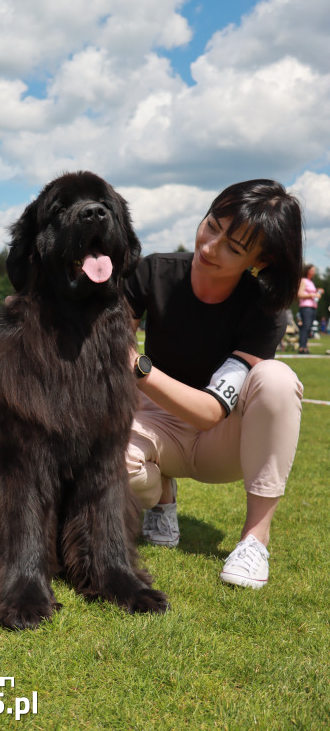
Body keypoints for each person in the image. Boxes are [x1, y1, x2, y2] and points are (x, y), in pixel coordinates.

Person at [125, 179, 304, 589]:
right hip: (154, 426)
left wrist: (139, 367)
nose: (209, 247)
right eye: (212, 225)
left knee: (276, 379)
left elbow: (209, 412)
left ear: (261, 260)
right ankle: (161, 497)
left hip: (221, 441)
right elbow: (107, 343)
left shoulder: (265, 310)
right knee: (105, 461)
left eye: (234, 247)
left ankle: (255, 539)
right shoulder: (151, 271)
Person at [297, 263, 323, 354]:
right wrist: (313, 294)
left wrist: (318, 292)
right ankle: (302, 347)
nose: (314, 272)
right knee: (305, 326)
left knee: (309, 328)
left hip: (313, 307)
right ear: (307, 271)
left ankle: (305, 346)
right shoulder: (303, 280)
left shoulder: (311, 282)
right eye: (312, 270)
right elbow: (299, 294)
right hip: (306, 307)